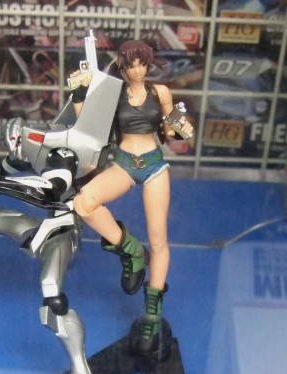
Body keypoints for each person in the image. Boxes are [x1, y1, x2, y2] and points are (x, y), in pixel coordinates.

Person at [70, 39, 194, 354]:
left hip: (154, 165)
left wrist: (180, 126)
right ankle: (131, 250)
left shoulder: (160, 92)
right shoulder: (113, 94)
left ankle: (152, 313)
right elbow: (86, 123)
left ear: (148, 64)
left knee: (159, 239)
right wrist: (79, 92)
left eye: (141, 64)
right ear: (123, 67)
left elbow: (173, 133)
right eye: (130, 65)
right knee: (83, 202)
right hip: (124, 164)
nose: (137, 70)